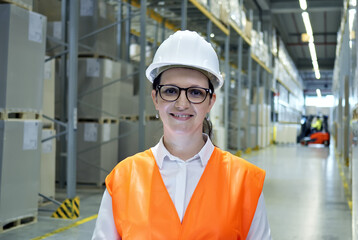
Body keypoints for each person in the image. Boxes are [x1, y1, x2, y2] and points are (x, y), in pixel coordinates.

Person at [92, 30, 271, 239]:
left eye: (195, 92)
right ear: (155, 99)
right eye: (170, 91)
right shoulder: (123, 178)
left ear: (210, 102)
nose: (182, 104)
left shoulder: (244, 182)